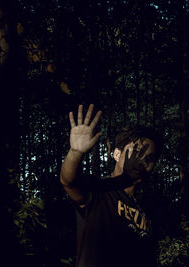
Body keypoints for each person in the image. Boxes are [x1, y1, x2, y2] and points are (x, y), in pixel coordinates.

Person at [60, 104, 163, 267]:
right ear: (116, 154)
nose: (143, 161)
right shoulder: (100, 190)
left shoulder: (148, 209)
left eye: (150, 158)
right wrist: (75, 152)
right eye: (137, 152)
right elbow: (69, 181)